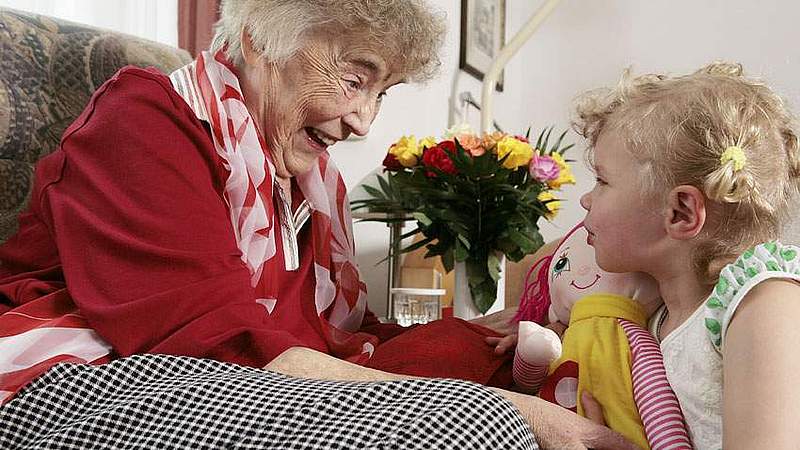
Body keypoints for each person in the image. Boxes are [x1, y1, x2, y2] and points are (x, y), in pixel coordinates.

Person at [0, 1, 639, 449]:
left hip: (220, 372)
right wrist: (508, 413)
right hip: (77, 373)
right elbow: (211, 338)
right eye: (355, 80)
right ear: (260, 38)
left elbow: (333, 335)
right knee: (472, 428)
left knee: (477, 367)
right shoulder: (146, 118)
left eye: (380, 93)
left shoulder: (309, 180)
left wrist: (486, 339)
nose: (364, 121)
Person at [495, 62, 800, 450]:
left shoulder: (765, 305)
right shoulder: (648, 313)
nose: (586, 199)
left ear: (681, 213)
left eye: (603, 181)